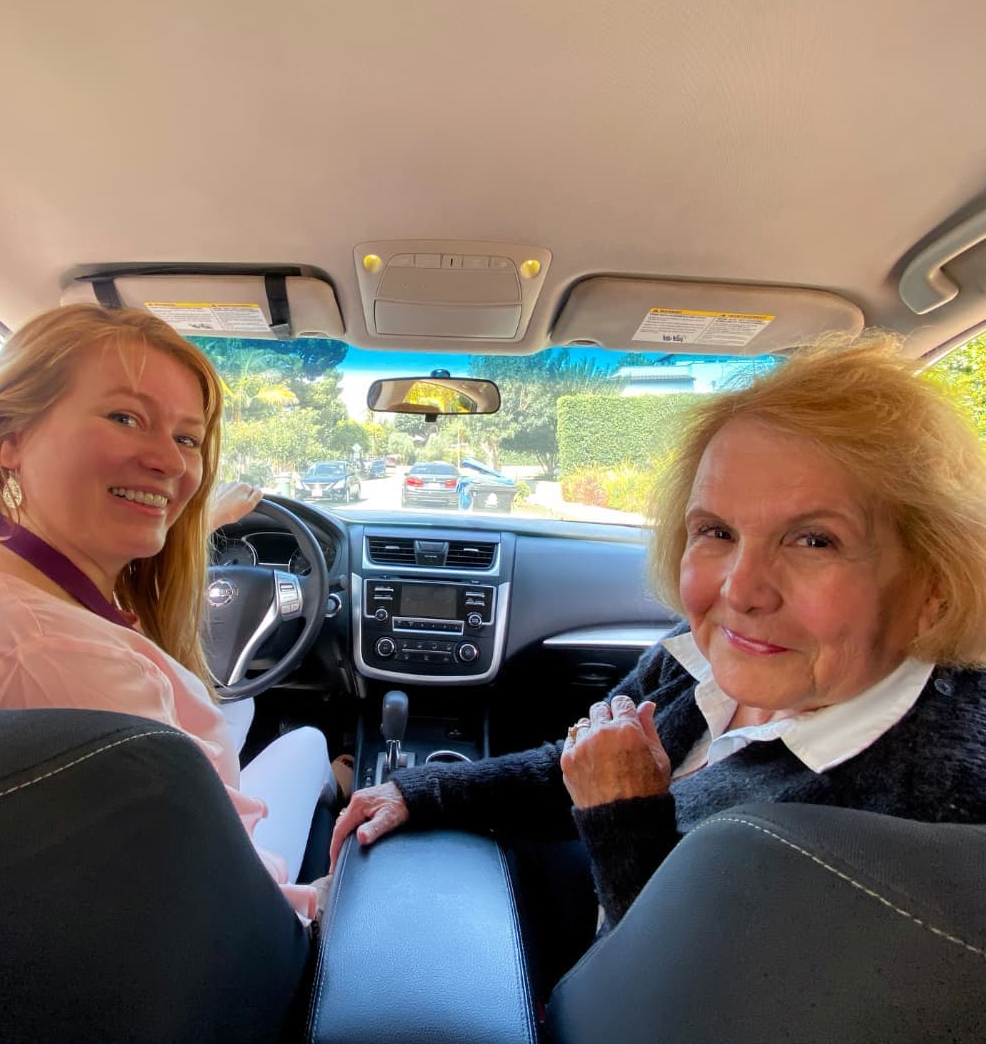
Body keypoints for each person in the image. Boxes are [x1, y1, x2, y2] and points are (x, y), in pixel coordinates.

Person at [331, 334, 986, 956]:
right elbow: (580, 766)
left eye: (814, 540)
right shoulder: (709, 651)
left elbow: (695, 996)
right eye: (717, 531)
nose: (742, 589)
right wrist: (423, 791)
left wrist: (623, 816)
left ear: (934, 580)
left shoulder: (935, 814)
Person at [0, 304, 332, 920]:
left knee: (243, 702)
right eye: (126, 418)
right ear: (8, 439)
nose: (171, 464)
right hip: (205, 926)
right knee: (305, 743)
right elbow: (244, 907)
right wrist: (334, 899)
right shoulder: (60, 655)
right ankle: (341, 775)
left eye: (186, 439)